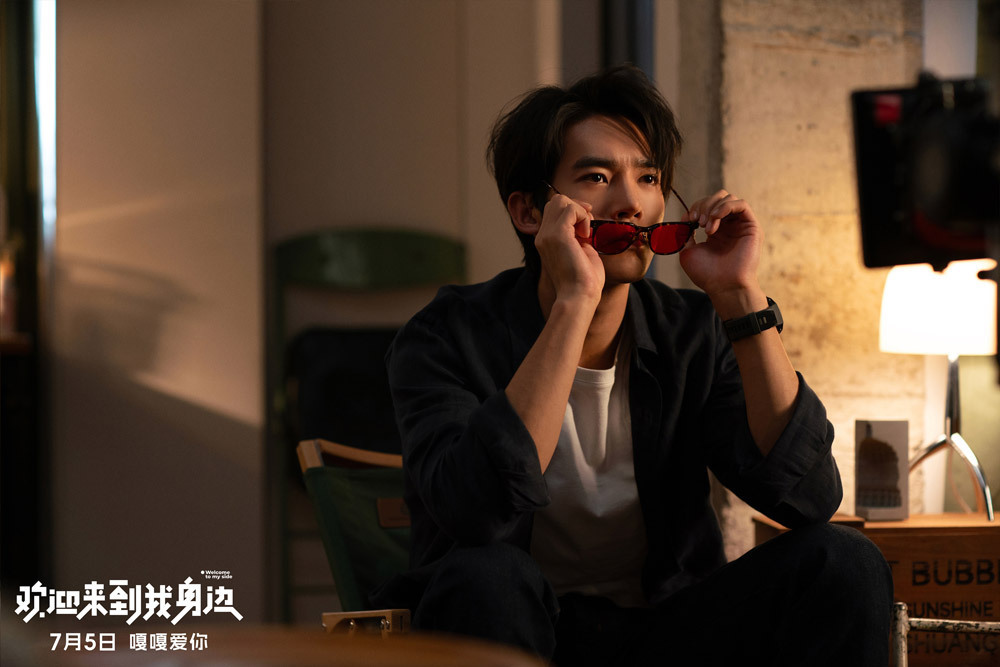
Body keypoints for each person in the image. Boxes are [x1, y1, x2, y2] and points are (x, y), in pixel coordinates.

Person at [371, 65, 893, 666]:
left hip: (666, 633)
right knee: (488, 575)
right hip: (517, 628)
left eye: (648, 178)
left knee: (843, 560)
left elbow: (808, 498)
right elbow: (478, 513)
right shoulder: (445, 336)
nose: (632, 203)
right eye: (597, 177)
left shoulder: (691, 333)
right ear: (529, 212)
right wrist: (574, 303)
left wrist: (739, 297)